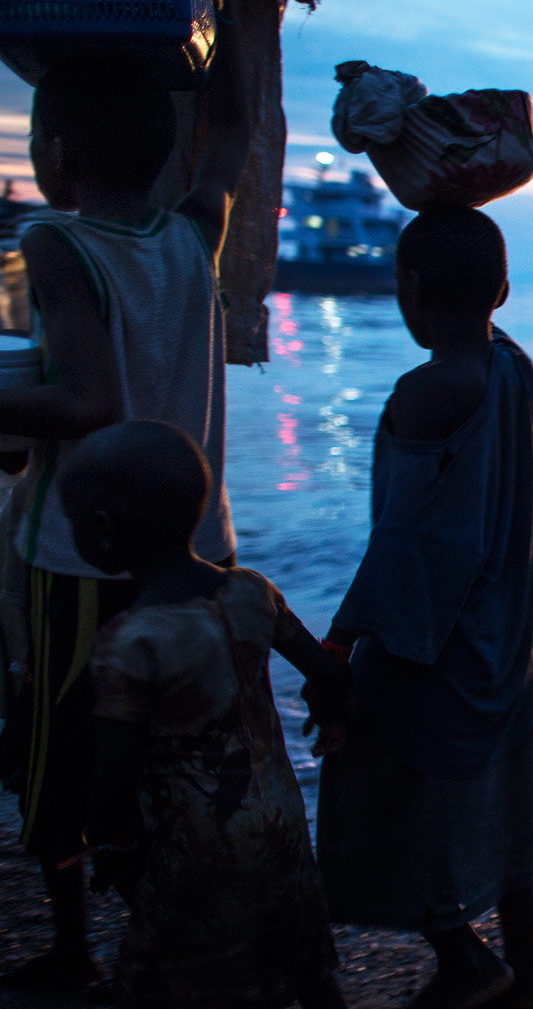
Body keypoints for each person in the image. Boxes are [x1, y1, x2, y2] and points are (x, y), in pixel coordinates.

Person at [0, 46, 252, 990]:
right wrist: (234, 17)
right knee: (175, 757)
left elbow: (86, 404)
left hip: (85, 556)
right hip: (196, 553)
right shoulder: (193, 233)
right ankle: (174, 934)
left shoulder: (52, 244)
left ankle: (74, 949)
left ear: (57, 155)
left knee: (60, 748)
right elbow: (233, 133)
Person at [316, 208, 533, 1009]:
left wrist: (340, 644)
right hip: (507, 638)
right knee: (508, 812)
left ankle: (463, 960)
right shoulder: (512, 366)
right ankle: (531, 974)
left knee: (382, 785)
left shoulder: (426, 391)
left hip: (436, 640)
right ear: (504, 292)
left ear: (409, 287)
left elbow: (404, 538)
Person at [63, 421, 348, 1009]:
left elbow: (116, 771)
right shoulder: (251, 591)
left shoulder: (131, 641)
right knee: (305, 963)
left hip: (193, 843)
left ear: (103, 530)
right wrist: (331, 713)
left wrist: (105, 840)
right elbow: (327, 673)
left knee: (169, 974)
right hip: (281, 823)